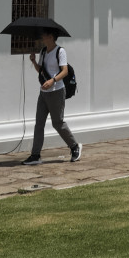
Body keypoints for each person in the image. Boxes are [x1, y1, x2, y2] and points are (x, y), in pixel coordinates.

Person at [23, 29, 81, 166]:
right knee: (39, 124)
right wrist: (34, 62)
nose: (42, 37)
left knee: (58, 123)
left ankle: (74, 147)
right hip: (44, 92)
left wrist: (53, 81)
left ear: (51, 37)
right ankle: (35, 155)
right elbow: (41, 71)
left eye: (44, 35)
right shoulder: (43, 52)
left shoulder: (60, 51)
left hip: (57, 91)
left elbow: (65, 71)